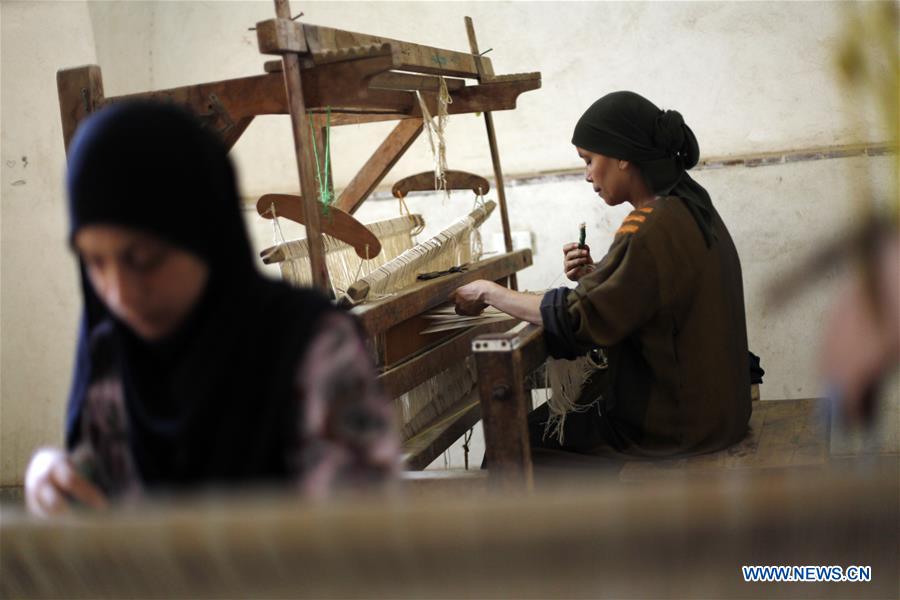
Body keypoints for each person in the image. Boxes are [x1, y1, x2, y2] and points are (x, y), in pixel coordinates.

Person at [25, 102, 399, 517]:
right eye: (94, 263)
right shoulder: (112, 357)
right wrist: (50, 476)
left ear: (205, 236)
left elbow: (362, 542)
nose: (120, 295)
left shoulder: (314, 349)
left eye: (144, 259)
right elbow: (95, 492)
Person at [453, 91, 751, 461]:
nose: (587, 174)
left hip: (674, 428)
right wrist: (598, 276)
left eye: (590, 159)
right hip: (719, 415)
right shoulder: (691, 205)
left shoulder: (649, 226)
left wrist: (488, 292)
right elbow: (658, 297)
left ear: (622, 156)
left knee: (510, 445)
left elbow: (578, 318)